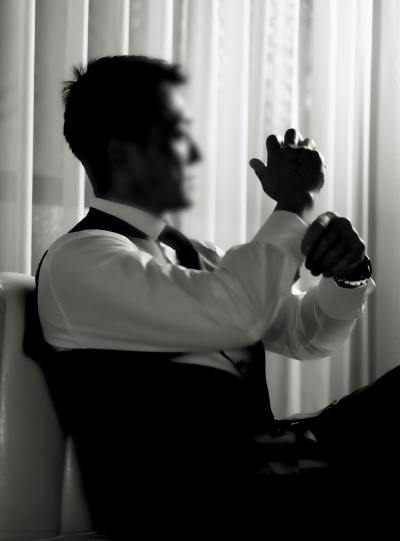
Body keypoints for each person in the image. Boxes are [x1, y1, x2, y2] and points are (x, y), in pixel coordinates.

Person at [33, 55, 389, 538]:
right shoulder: (79, 259)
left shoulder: (194, 255)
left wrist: (348, 276)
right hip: (195, 505)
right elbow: (238, 313)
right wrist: (294, 202)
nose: (193, 151)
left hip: (277, 471)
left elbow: (304, 334)